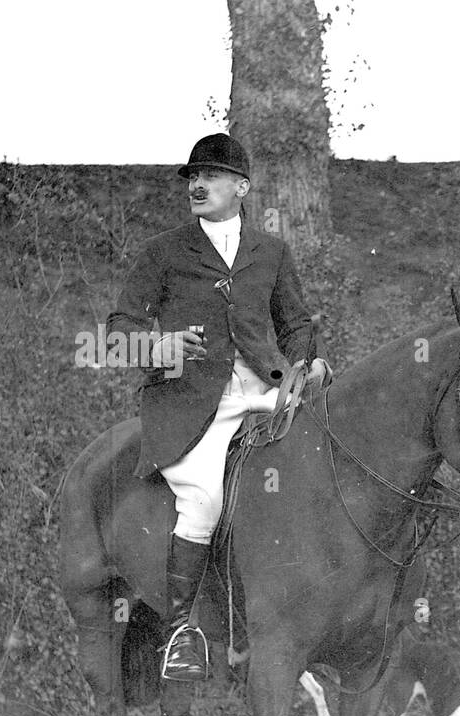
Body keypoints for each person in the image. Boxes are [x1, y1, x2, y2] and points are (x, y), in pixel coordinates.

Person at [108, 133, 327, 682]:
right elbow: (119, 331)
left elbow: (297, 325)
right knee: (205, 498)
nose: (197, 185)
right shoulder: (163, 251)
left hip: (263, 391)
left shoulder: (271, 252)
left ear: (242, 188)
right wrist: (157, 349)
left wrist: (305, 363)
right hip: (191, 403)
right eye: (192, 178)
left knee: (325, 467)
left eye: (209, 176)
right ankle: (182, 633)